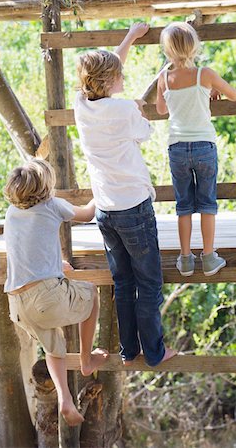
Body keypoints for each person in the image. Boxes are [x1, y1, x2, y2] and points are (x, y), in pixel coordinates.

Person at [74, 23, 176, 367]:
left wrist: (129, 37)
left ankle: (128, 349)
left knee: (123, 281)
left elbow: (106, 68)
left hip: (105, 210)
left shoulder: (82, 105)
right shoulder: (123, 111)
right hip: (134, 207)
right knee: (149, 282)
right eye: (118, 74)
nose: (124, 73)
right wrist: (137, 108)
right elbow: (145, 131)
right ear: (107, 82)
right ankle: (155, 352)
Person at [4, 158, 108, 427]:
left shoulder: (11, 213)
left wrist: (54, 264)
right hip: (44, 297)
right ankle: (86, 360)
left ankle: (65, 398)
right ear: (46, 187)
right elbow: (87, 214)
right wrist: (101, 189)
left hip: (16, 302)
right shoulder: (52, 205)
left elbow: (31, 243)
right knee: (92, 292)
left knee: (54, 349)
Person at [156, 22, 236, 276]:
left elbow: (161, 110)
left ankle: (185, 260)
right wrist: (210, 90)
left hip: (177, 148)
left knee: (183, 205)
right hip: (204, 145)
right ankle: (209, 257)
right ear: (194, 47)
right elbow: (234, 95)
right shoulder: (206, 74)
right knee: (207, 203)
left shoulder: (164, 78)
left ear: (167, 50)